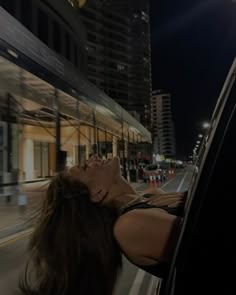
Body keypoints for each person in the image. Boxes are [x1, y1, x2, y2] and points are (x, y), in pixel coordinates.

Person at [19, 156, 186, 295]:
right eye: (86, 166)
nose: (94, 158)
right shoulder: (130, 225)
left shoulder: (152, 195)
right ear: (98, 192)